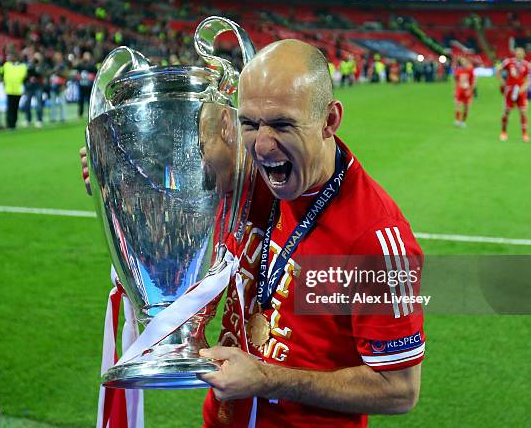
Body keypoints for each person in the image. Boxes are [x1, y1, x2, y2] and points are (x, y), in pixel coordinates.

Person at [200, 39, 424, 427]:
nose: (263, 145)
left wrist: (266, 380)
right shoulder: (254, 183)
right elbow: (181, 184)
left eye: (283, 124)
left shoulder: (374, 239)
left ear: (329, 121)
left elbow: (399, 389)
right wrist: (112, 172)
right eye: (250, 124)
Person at [496, 47, 531, 142]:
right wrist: (502, 82)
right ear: (515, 54)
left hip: (521, 92)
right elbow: (498, 70)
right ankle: (503, 132)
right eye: (517, 53)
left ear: (524, 54)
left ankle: (524, 134)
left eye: (520, 53)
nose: (518, 55)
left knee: (523, 112)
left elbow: (528, 81)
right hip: (510, 91)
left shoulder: (527, 65)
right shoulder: (509, 62)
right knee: (506, 112)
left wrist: (522, 89)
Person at [0, 52, 27, 129]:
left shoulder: (21, 66)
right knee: (10, 108)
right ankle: (9, 123)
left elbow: (22, 76)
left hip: (17, 90)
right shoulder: (7, 65)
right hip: (10, 90)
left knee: (14, 108)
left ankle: (13, 123)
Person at [23, 52, 46, 128]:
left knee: (39, 103)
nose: (36, 59)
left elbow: (41, 74)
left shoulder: (42, 66)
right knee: (27, 103)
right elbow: (26, 75)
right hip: (29, 87)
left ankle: (39, 120)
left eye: (37, 57)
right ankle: (28, 120)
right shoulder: (30, 65)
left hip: (38, 87)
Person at [453, 56, 475, 128]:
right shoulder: (458, 71)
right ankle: (457, 120)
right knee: (458, 106)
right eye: (462, 61)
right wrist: (454, 90)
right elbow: (456, 81)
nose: (464, 62)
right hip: (459, 90)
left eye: (464, 61)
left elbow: (473, 82)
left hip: (467, 91)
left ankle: (463, 121)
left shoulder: (470, 70)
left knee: (466, 108)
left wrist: (470, 90)